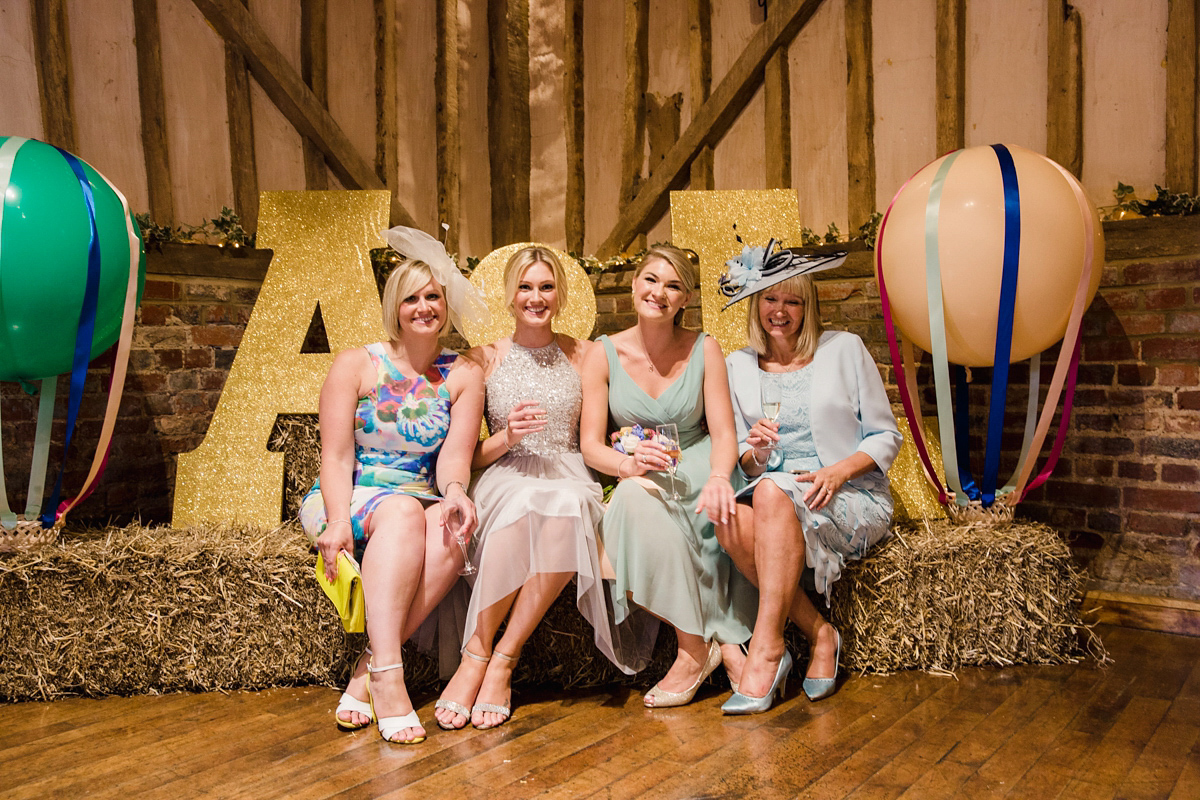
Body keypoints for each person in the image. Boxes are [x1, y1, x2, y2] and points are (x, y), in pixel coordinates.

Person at [431, 246, 638, 730]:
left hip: (568, 472)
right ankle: (473, 656)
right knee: (525, 504)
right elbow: (466, 454)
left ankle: (501, 657)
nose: (536, 297)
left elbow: (596, 438)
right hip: (509, 473)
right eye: (525, 287)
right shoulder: (482, 358)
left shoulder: (585, 354)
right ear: (509, 295)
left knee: (566, 506)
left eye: (546, 287)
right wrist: (508, 437)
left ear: (560, 295)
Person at [300, 227, 486, 744]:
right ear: (394, 307)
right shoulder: (357, 364)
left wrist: (454, 492)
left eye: (433, 297)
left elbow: (454, 456)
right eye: (412, 298)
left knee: (453, 530)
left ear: (446, 305)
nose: (423, 307)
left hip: (418, 494)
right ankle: (390, 679)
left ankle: (366, 671)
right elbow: (335, 456)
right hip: (350, 493)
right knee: (403, 513)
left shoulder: (464, 372)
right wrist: (338, 521)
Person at [715, 240, 901, 713]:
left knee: (772, 495)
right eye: (771, 299)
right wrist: (755, 452)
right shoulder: (736, 366)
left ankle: (767, 648)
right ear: (756, 305)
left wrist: (838, 472)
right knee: (730, 520)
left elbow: (885, 435)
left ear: (808, 307)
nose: (780, 311)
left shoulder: (844, 350)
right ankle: (821, 634)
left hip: (847, 493)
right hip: (773, 494)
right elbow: (744, 459)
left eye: (793, 300)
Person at [580, 244, 756, 708]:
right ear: (634, 284)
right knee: (633, 502)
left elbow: (723, 433)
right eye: (651, 280)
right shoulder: (602, 354)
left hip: (700, 462)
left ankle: (715, 646)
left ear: (685, 299)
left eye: (673, 286)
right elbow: (590, 445)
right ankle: (698, 646)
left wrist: (720, 477)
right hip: (643, 469)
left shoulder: (705, 348)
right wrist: (628, 465)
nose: (659, 292)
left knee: (703, 509)